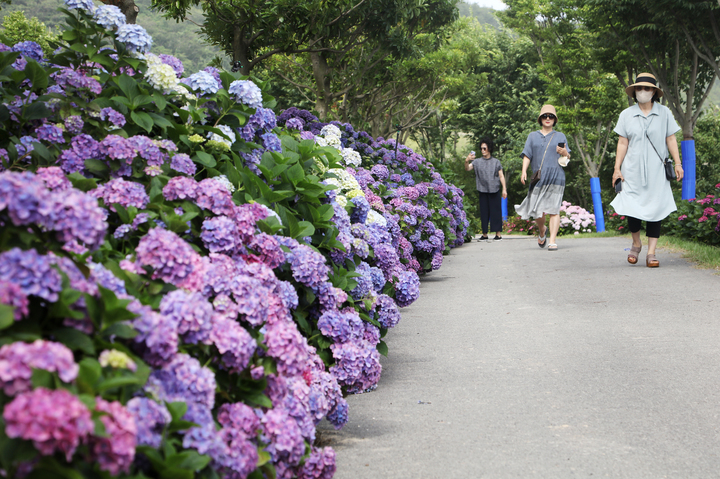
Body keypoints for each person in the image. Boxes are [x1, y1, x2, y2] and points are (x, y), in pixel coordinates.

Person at [610, 72, 683, 268]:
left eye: (647, 88)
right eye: (639, 88)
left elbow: (671, 139)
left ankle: (651, 252)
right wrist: (617, 168)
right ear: (635, 92)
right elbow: (623, 143)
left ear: (654, 92)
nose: (643, 91)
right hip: (631, 169)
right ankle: (636, 242)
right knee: (631, 207)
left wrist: (678, 163)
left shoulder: (665, 113)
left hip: (657, 170)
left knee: (655, 208)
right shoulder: (626, 115)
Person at [515, 105, 570, 251]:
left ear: (554, 119)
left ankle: (552, 240)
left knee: (554, 210)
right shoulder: (532, 136)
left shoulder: (560, 136)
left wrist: (565, 152)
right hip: (539, 178)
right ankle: (542, 230)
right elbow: (527, 154)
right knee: (537, 211)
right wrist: (523, 171)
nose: (547, 118)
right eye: (545, 116)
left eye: (551, 116)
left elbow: (567, 156)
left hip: (556, 176)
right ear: (540, 118)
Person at [464, 138, 507, 242]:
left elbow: (501, 176)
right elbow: (467, 168)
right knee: (484, 212)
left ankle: (498, 234)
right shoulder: (477, 162)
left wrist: (504, 189)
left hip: (495, 189)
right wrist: (466, 160)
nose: (482, 150)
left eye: (484, 148)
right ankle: (484, 234)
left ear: (489, 148)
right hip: (482, 190)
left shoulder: (496, 162)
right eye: (481, 148)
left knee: (496, 212)